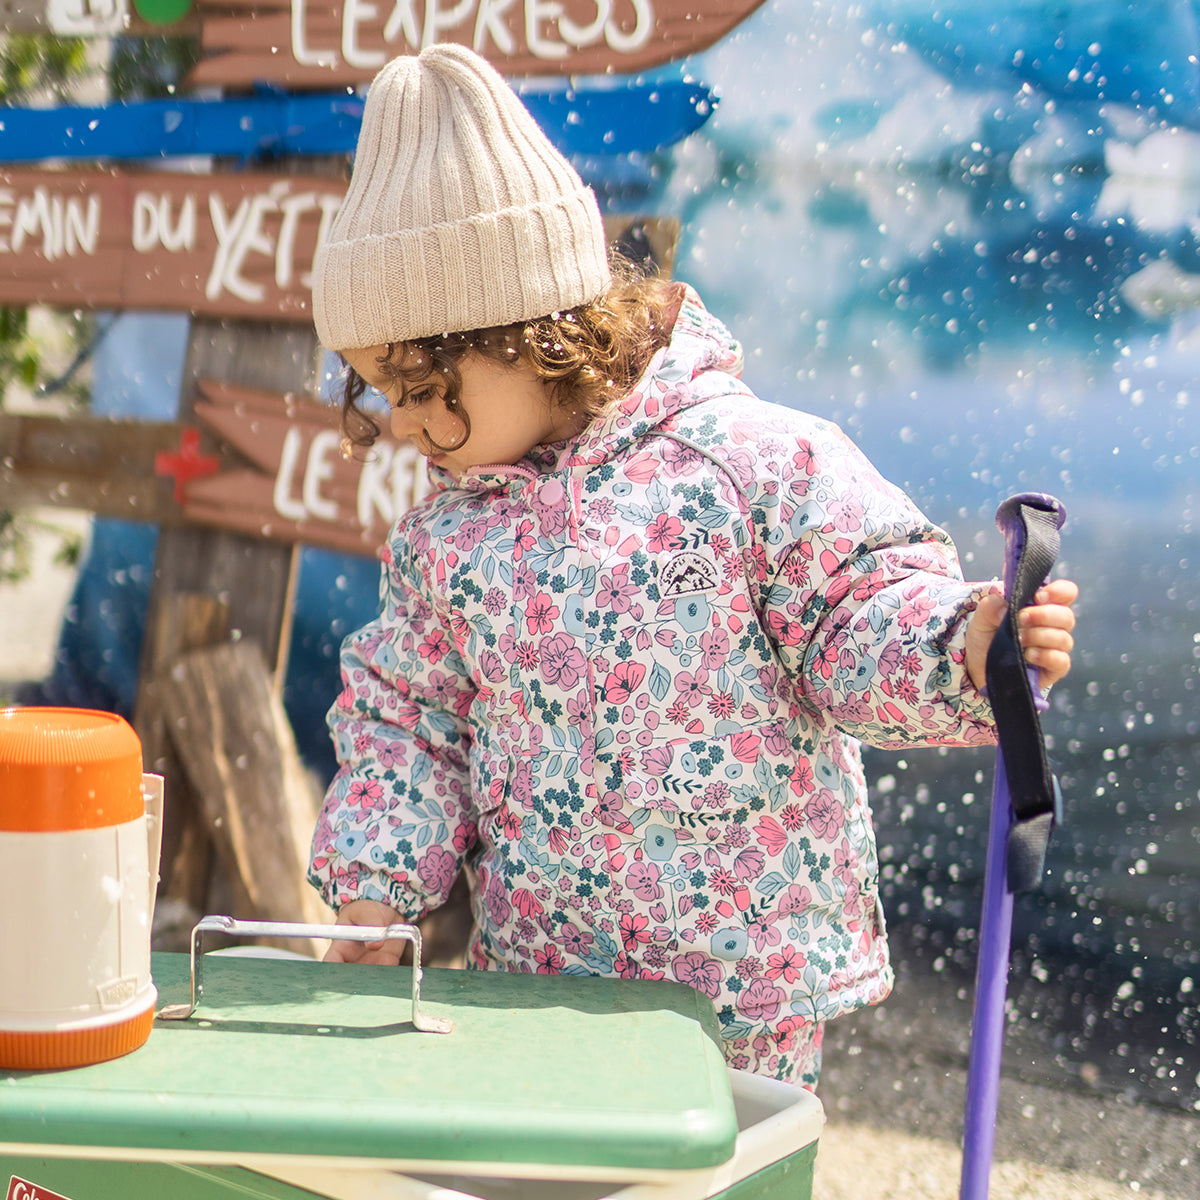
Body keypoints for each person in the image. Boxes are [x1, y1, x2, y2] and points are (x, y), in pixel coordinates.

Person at [306, 43, 1078, 1087]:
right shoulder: (448, 540)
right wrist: (376, 880)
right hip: (545, 974)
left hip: (744, 990)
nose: (399, 423)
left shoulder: (747, 463)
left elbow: (852, 615)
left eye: (415, 383)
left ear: (522, 328)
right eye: (379, 392)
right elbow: (412, 721)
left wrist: (963, 646)